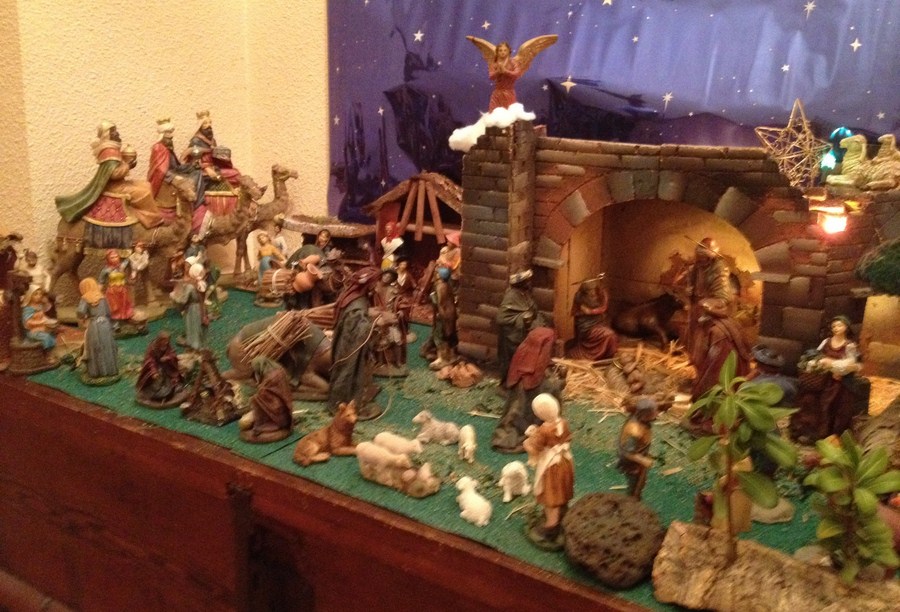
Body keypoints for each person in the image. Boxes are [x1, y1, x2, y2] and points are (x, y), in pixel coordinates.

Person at [55, 121, 163, 229]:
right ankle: (151, 219)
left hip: (120, 183)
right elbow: (114, 174)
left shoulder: (113, 148)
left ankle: (147, 214)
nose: (117, 134)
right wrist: (128, 165)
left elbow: (117, 167)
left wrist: (126, 163)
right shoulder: (109, 151)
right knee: (143, 193)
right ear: (107, 135)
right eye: (113, 132)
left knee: (146, 185)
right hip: (113, 186)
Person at [790, 316, 867, 443]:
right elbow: (817, 355)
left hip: (837, 383)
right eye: (834, 326)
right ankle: (807, 431)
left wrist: (838, 367)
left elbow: (854, 364)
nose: (836, 328)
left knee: (830, 405)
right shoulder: (826, 342)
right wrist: (817, 363)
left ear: (846, 327)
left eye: (839, 325)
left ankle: (827, 435)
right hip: (821, 380)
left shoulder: (849, 345)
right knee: (810, 401)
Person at [327, 267, 389, 420]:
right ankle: (343, 406)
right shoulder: (357, 304)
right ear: (370, 284)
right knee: (349, 372)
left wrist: (368, 313)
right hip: (350, 348)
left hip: (347, 343)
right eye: (376, 282)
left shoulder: (355, 298)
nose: (378, 285)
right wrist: (376, 322)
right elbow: (357, 328)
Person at [492, 327, 564, 454]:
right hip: (526, 419)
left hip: (516, 414)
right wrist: (560, 381)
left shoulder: (522, 364)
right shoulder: (537, 377)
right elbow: (547, 387)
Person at [523, 393, 574, 550]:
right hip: (565, 461)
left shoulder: (544, 430)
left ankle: (551, 527)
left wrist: (527, 441)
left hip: (551, 467)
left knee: (551, 496)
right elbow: (565, 438)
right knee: (562, 491)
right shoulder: (563, 422)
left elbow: (535, 448)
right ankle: (563, 513)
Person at [690, 298, 752, 401]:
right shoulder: (731, 323)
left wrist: (702, 385)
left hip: (724, 377)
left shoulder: (717, 332)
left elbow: (715, 362)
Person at [682, 237, 732, 358]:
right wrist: (689, 290)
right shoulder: (697, 266)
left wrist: (708, 303)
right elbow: (691, 282)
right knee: (692, 326)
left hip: (713, 301)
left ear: (710, 257)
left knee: (703, 325)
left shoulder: (719, 268)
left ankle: (704, 356)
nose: (700, 261)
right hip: (696, 302)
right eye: (699, 257)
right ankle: (692, 355)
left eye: (703, 258)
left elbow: (722, 295)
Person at [496, 269, 543, 382]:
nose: (529, 283)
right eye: (527, 281)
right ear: (521, 283)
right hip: (511, 336)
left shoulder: (524, 294)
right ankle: (510, 381)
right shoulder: (511, 296)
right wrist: (522, 318)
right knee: (512, 359)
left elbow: (532, 310)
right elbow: (501, 318)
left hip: (524, 332)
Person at [147, 117, 202, 206]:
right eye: (168, 133)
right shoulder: (158, 148)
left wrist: (191, 166)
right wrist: (174, 177)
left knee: (197, 172)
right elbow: (160, 170)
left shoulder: (168, 148)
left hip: (172, 173)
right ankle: (191, 204)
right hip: (165, 177)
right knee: (186, 183)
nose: (171, 136)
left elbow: (175, 167)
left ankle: (197, 205)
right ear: (162, 134)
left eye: (171, 132)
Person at [239, 357, 295, 443]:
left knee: (255, 401)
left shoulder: (271, 377)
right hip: (279, 401)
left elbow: (264, 391)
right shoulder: (278, 370)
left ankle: (262, 426)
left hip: (277, 405)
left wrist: (255, 397)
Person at [181, 110, 242, 189]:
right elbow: (193, 161)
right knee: (235, 175)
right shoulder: (196, 141)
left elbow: (214, 157)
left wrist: (223, 159)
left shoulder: (212, 141)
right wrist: (206, 168)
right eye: (205, 123)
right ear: (200, 126)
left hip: (214, 168)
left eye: (210, 123)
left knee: (236, 173)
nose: (209, 126)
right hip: (203, 171)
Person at [76, 278, 118, 380]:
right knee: (107, 345)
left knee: (95, 347)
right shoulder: (102, 297)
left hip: (94, 325)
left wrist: (84, 317)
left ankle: (96, 371)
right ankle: (111, 370)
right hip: (105, 324)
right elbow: (108, 312)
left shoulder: (85, 298)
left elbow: (80, 311)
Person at [568, 276, 618, 360]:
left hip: (599, 323)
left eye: (594, 290)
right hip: (588, 327)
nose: (593, 293)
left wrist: (603, 290)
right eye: (590, 291)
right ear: (585, 291)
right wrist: (593, 311)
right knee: (610, 335)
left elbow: (604, 305)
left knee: (611, 334)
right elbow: (591, 311)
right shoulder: (580, 297)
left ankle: (608, 356)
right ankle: (597, 355)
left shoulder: (599, 295)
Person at [617, 398, 658, 500]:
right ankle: (631, 500)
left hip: (640, 454)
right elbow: (627, 452)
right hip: (631, 463)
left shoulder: (643, 422)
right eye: (653, 413)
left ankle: (636, 496)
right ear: (645, 414)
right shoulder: (634, 431)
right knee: (634, 483)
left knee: (641, 482)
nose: (656, 414)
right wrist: (642, 460)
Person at [136, 331, 185, 406]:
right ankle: (150, 392)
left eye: (167, 340)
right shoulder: (153, 348)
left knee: (171, 378)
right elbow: (150, 360)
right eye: (164, 341)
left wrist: (167, 358)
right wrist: (154, 371)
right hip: (154, 368)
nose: (166, 342)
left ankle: (173, 387)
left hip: (166, 367)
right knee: (155, 381)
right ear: (160, 340)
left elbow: (172, 354)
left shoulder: (167, 346)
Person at [169, 262, 208, 351]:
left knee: (192, 326)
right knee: (199, 326)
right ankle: (201, 344)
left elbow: (183, 300)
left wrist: (173, 296)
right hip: (201, 307)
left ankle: (194, 344)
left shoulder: (190, 287)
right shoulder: (203, 284)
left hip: (192, 309)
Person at [428, 266, 459, 370]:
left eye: (437, 273)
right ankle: (451, 355)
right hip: (450, 314)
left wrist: (440, 315)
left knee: (440, 336)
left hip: (444, 315)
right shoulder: (447, 284)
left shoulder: (441, 286)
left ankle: (443, 358)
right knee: (448, 335)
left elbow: (441, 304)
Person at [487, 42, 523, 112]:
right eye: (500, 50)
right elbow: (491, 77)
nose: (503, 52)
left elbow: (517, 74)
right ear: (497, 52)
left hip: (509, 93)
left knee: (509, 113)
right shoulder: (494, 63)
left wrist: (505, 71)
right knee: (493, 113)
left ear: (509, 51)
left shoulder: (513, 62)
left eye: (505, 50)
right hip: (497, 94)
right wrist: (498, 72)